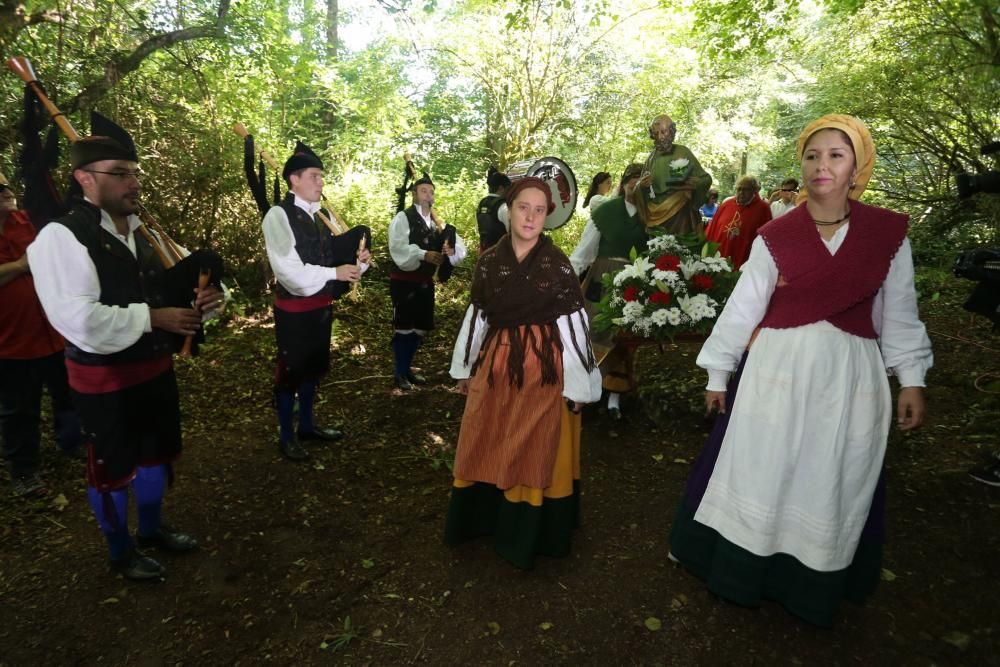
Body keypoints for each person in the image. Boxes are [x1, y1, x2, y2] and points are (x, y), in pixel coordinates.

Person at [667, 114, 933, 626]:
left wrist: (912, 377)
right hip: (776, 373)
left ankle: (808, 584)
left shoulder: (886, 235)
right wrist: (718, 374)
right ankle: (742, 571)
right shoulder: (776, 235)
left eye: (836, 155)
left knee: (827, 472)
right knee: (763, 467)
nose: (822, 165)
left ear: (857, 166)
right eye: (812, 155)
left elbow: (898, 313)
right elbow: (743, 308)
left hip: (848, 378)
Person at [27, 113, 226, 581]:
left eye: (135, 172)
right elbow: (76, 320)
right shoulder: (62, 236)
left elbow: (183, 290)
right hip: (104, 380)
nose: (133, 182)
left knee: (156, 456)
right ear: (84, 179)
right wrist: (151, 318)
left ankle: (152, 530)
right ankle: (120, 550)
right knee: (113, 469)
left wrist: (212, 301)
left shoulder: (145, 231)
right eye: (120, 172)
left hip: (155, 370)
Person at [445, 176, 601, 568]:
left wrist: (580, 385)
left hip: (543, 367)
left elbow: (574, 324)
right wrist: (465, 368)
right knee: (487, 430)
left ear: (548, 216)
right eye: (523, 208)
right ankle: (484, 518)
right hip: (497, 363)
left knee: (533, 441)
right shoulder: (489, 263)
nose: (530, 217)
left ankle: (528, 529)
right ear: (508, 210)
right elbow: (478, 316)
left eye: (539, 210)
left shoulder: (557, 265)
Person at [262, 142, 372, 461]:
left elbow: (343, 268)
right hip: (294, 312)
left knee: (313, 370)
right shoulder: (278, 216)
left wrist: (360, 261)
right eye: (314, 176)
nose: (321, 182)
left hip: (321, 309)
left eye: (321, 176)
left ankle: (307, 427)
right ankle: (286, 435)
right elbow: (289, 273)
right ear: (293, 179)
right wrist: (336, 272)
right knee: (291, 373)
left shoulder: (321, 217)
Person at [0, 174, 83, 498]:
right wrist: (21, 265)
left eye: (6, 185)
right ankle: (24, 470)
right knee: (19, 409)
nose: (7, 191)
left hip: (54, 332)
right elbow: (31, 263)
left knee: (68, 393)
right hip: (11, 343)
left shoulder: (27, 220)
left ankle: (72, 443)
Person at [570, 163, 647, 419]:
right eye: (631, 181)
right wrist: (568, 278)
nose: (634, 186)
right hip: (602, 278)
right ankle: (582, 390)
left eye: (640, 181)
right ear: (623, 184)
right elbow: (584, 251)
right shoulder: (605, 212)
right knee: (592, 331)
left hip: (634, 283)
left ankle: (614, 396)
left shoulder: (653, 216)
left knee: (624, 338)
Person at [389, 173, 467, 391]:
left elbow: (459, 252)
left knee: (420, 328)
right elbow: (397, 248)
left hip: (425, 283)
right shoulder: (403, 219)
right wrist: (424, 254)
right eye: (423, 191)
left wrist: (450, 249)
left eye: (431, 192)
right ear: (414, 194)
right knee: (404, 328)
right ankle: (400, 373)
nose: (428, 195)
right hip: (404, 283)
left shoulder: (436, 223)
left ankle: (406, 368)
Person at [635, 114, 712, 234]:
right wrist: (642, 186)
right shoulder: (651, 158)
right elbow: (639, 188)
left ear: (672, 132)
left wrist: (696, 184)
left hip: (681, 212)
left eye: (663, 132)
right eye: (656, 133)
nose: (660, 137)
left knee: (680, 248)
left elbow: (706, 179)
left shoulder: (683, 152)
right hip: (655, 215)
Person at [704, 175, 772, 270]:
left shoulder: (763, 209)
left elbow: (765, 239)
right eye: (738, 189)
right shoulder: (726, 204)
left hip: (743, 259)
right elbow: (712, 229)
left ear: (754, 190)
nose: (741, 193)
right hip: (719, 256)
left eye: (745, 189)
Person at [476, 166, 511, 253]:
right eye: (508, 188)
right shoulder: (503, 207)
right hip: (501, 254)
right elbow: (512, 233)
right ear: (501, 188)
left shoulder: (482, 203)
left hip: (485, 251)